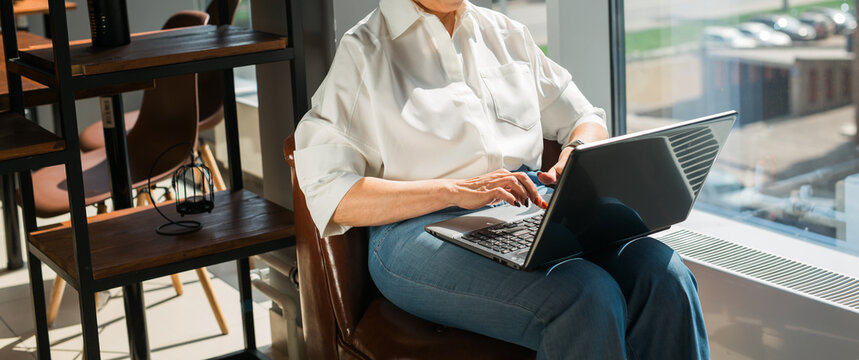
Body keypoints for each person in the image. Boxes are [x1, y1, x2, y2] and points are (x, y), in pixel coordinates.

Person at [293, 0, 710, 358]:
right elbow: (331, 192)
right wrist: (456, 191)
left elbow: (585, 118)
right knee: (583, 296)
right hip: (416, 232)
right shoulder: (365, 51)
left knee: (663, 274)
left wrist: (575, 156)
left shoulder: (505, 33)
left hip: (527, 209)